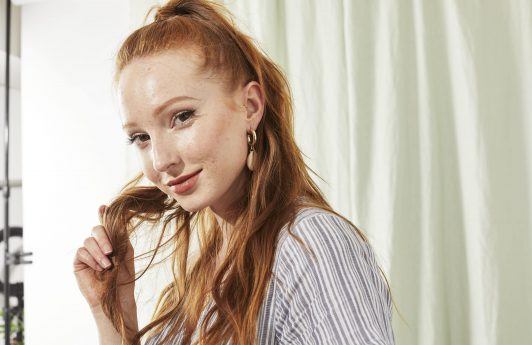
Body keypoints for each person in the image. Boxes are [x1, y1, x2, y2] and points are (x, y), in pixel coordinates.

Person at [73, 0, 397, 344]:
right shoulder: (207, 269)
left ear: (250, 106)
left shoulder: (309, 245)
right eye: (140, 137)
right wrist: (114, 313)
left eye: (182, 117)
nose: (160, 159)